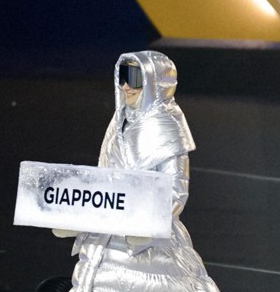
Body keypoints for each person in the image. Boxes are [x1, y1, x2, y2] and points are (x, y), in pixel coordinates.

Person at [54, 51, 218, 292]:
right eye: (122, 76)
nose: (126, 86)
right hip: (106, 236)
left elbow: (176, 191)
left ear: (155, 82)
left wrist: (144, 225)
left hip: (144, 245)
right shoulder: (120, 120)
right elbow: (104, 180)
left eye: (135, 78)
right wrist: (80, 216)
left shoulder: (167, 127)